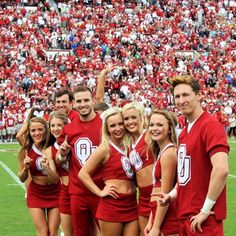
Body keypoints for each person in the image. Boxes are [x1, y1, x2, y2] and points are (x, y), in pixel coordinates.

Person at [162, 75, 229, 235]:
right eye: (177, 96)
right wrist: (171, 195)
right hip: (185, 215)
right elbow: (187, 176)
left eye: (186, 95)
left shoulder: (210, 125)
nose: (181, 100)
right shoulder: (185, 132)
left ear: (199, 95)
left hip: (203, 219)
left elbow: (221, 169)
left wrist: (205, 210)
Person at [79, 107, 139, 236]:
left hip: (131, 204)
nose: (117, 128)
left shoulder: (130, 147)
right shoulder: (105, 148)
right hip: (112, 205)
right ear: (107, 129)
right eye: (113, 126)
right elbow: (83, 173)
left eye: (120, 124)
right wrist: (100, 192)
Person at [57, 86, 103, 236]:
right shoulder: (69, 129)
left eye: (86, 100)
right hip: (78, 192)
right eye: (79, 101)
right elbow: (59, 160)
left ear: (93, 101)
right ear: (74, 104)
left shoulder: (105, 124)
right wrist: (62, 155)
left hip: (101, 189)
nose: (82, 104)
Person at [18, 117, 60, 236]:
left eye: (40, 129)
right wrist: (26, 168)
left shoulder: (54, 147)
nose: (37, 133)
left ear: (46, 130)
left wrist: (47, 168)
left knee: (52, 232)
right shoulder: (26, 150)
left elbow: (56, 179)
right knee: (42, 232)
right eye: (33, 130)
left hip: (55, 192)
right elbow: (21, 178)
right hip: (36, 193)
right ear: (29, 133)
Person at [144, 109, 179, 236]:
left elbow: (164, 194)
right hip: (158, 212)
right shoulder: (161, 151)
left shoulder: (169, 154)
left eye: (159, 125)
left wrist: (156, 227)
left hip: (168, 215)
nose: (154, 128)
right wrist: (150, 221)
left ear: (170, 129)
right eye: (152, 125)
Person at [121, 102, 154, 235]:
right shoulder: (129, 146)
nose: (130, 122)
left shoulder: (149, 136)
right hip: (142, 198)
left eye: (134, 117)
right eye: (126, 119)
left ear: (141, 117)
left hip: (156, 193)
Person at [45, 111, 73, 236]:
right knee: (68, 232)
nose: (56, 129)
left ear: (66, 126)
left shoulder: (75, 142)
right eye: (53, 126)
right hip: (65, 191)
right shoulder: (49, 150)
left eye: (59, 125)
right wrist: (47, 169)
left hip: (82, 189)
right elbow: (55, 179)